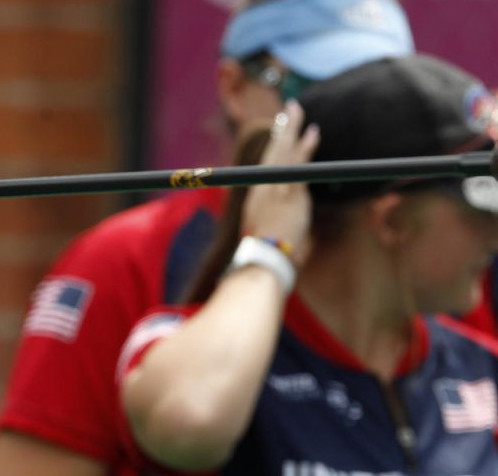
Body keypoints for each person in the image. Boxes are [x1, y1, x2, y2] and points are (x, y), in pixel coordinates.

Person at [0, 0, 415, 474]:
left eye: (380, 94)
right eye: (318, 85)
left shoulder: (437, 252)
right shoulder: (124, 257)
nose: (353, 115)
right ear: (234, 88)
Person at [118, 54, 498, 473]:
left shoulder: (481, 367)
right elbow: (190, 422)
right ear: (390, 220)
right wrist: (267, 249)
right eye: (482, 212)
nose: (494, 236)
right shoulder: (179, 345)